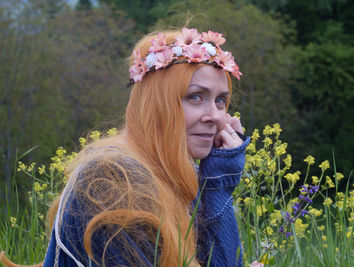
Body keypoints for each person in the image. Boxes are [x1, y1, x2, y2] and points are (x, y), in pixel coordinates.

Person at [1, 27, 250, 267]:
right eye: (195, 96)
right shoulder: (113, 180)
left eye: (220, 101)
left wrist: (217, 184)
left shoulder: (174, 174)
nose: (215, 116)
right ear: (156, 103)